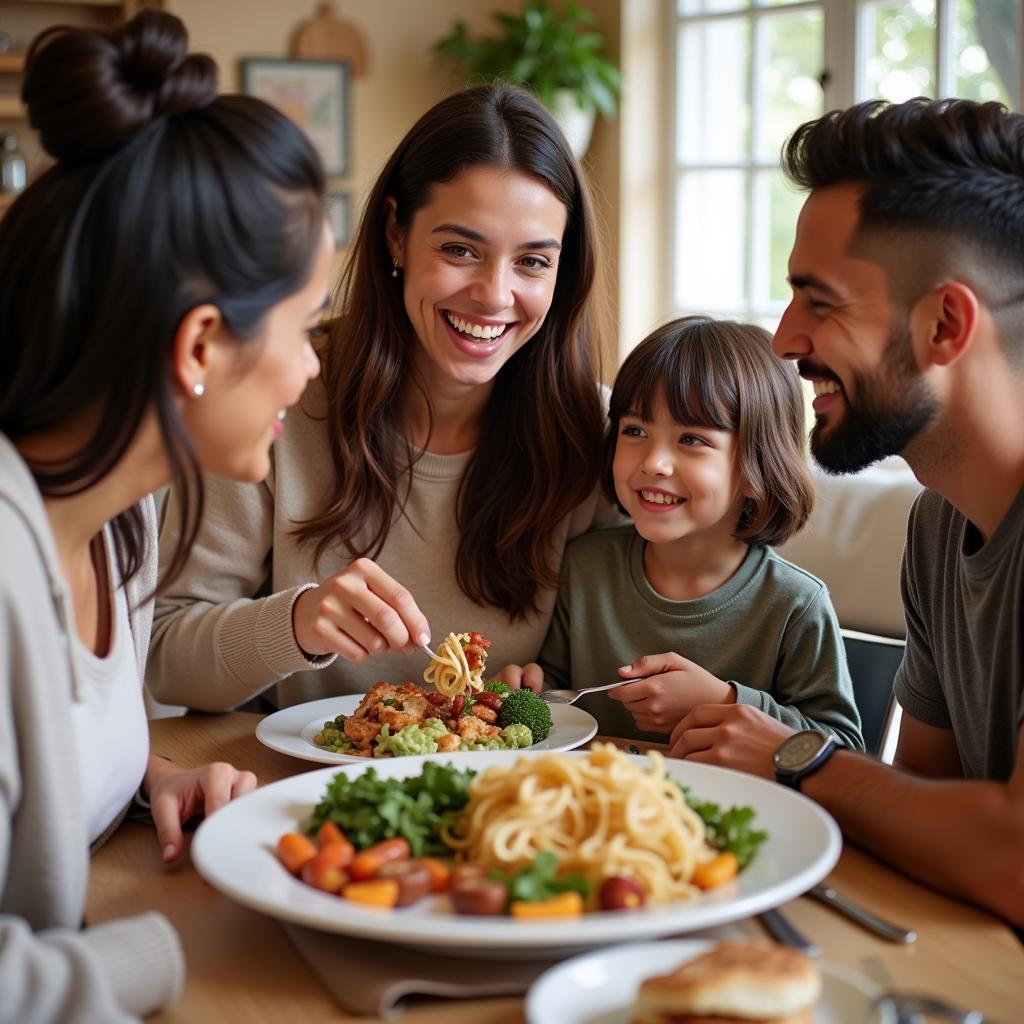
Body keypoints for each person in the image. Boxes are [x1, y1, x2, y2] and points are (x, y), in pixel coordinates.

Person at [0, 9, 333, 1020]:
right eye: (306, 325)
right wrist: (170, 949)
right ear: (199, 346)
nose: (314, 364)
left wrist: (148, 775)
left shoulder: (122, 519)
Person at [668, 98, 1024, 927]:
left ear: (945, 324)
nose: (785, 340)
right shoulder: (938, 525)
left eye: (817, 302)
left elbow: (1011, 860)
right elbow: (919, 812)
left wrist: (799, 755)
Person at [147, 83, 616, 712]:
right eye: (459, 250)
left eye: (532, 262)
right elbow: (166, 658)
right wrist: (299, 624)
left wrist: (546, 686)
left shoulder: (601, 434)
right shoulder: (276, 395)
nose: (494, 295)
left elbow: (619, 652)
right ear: (396, 234)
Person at [505, 316, 863, 748]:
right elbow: (558, 696)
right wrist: (530, 692)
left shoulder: (796, 605)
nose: (654, 461)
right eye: (635, 430)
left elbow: (842, 748)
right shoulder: (586, 567)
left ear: (758, 467)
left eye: (691, 439)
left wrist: (726, 701)